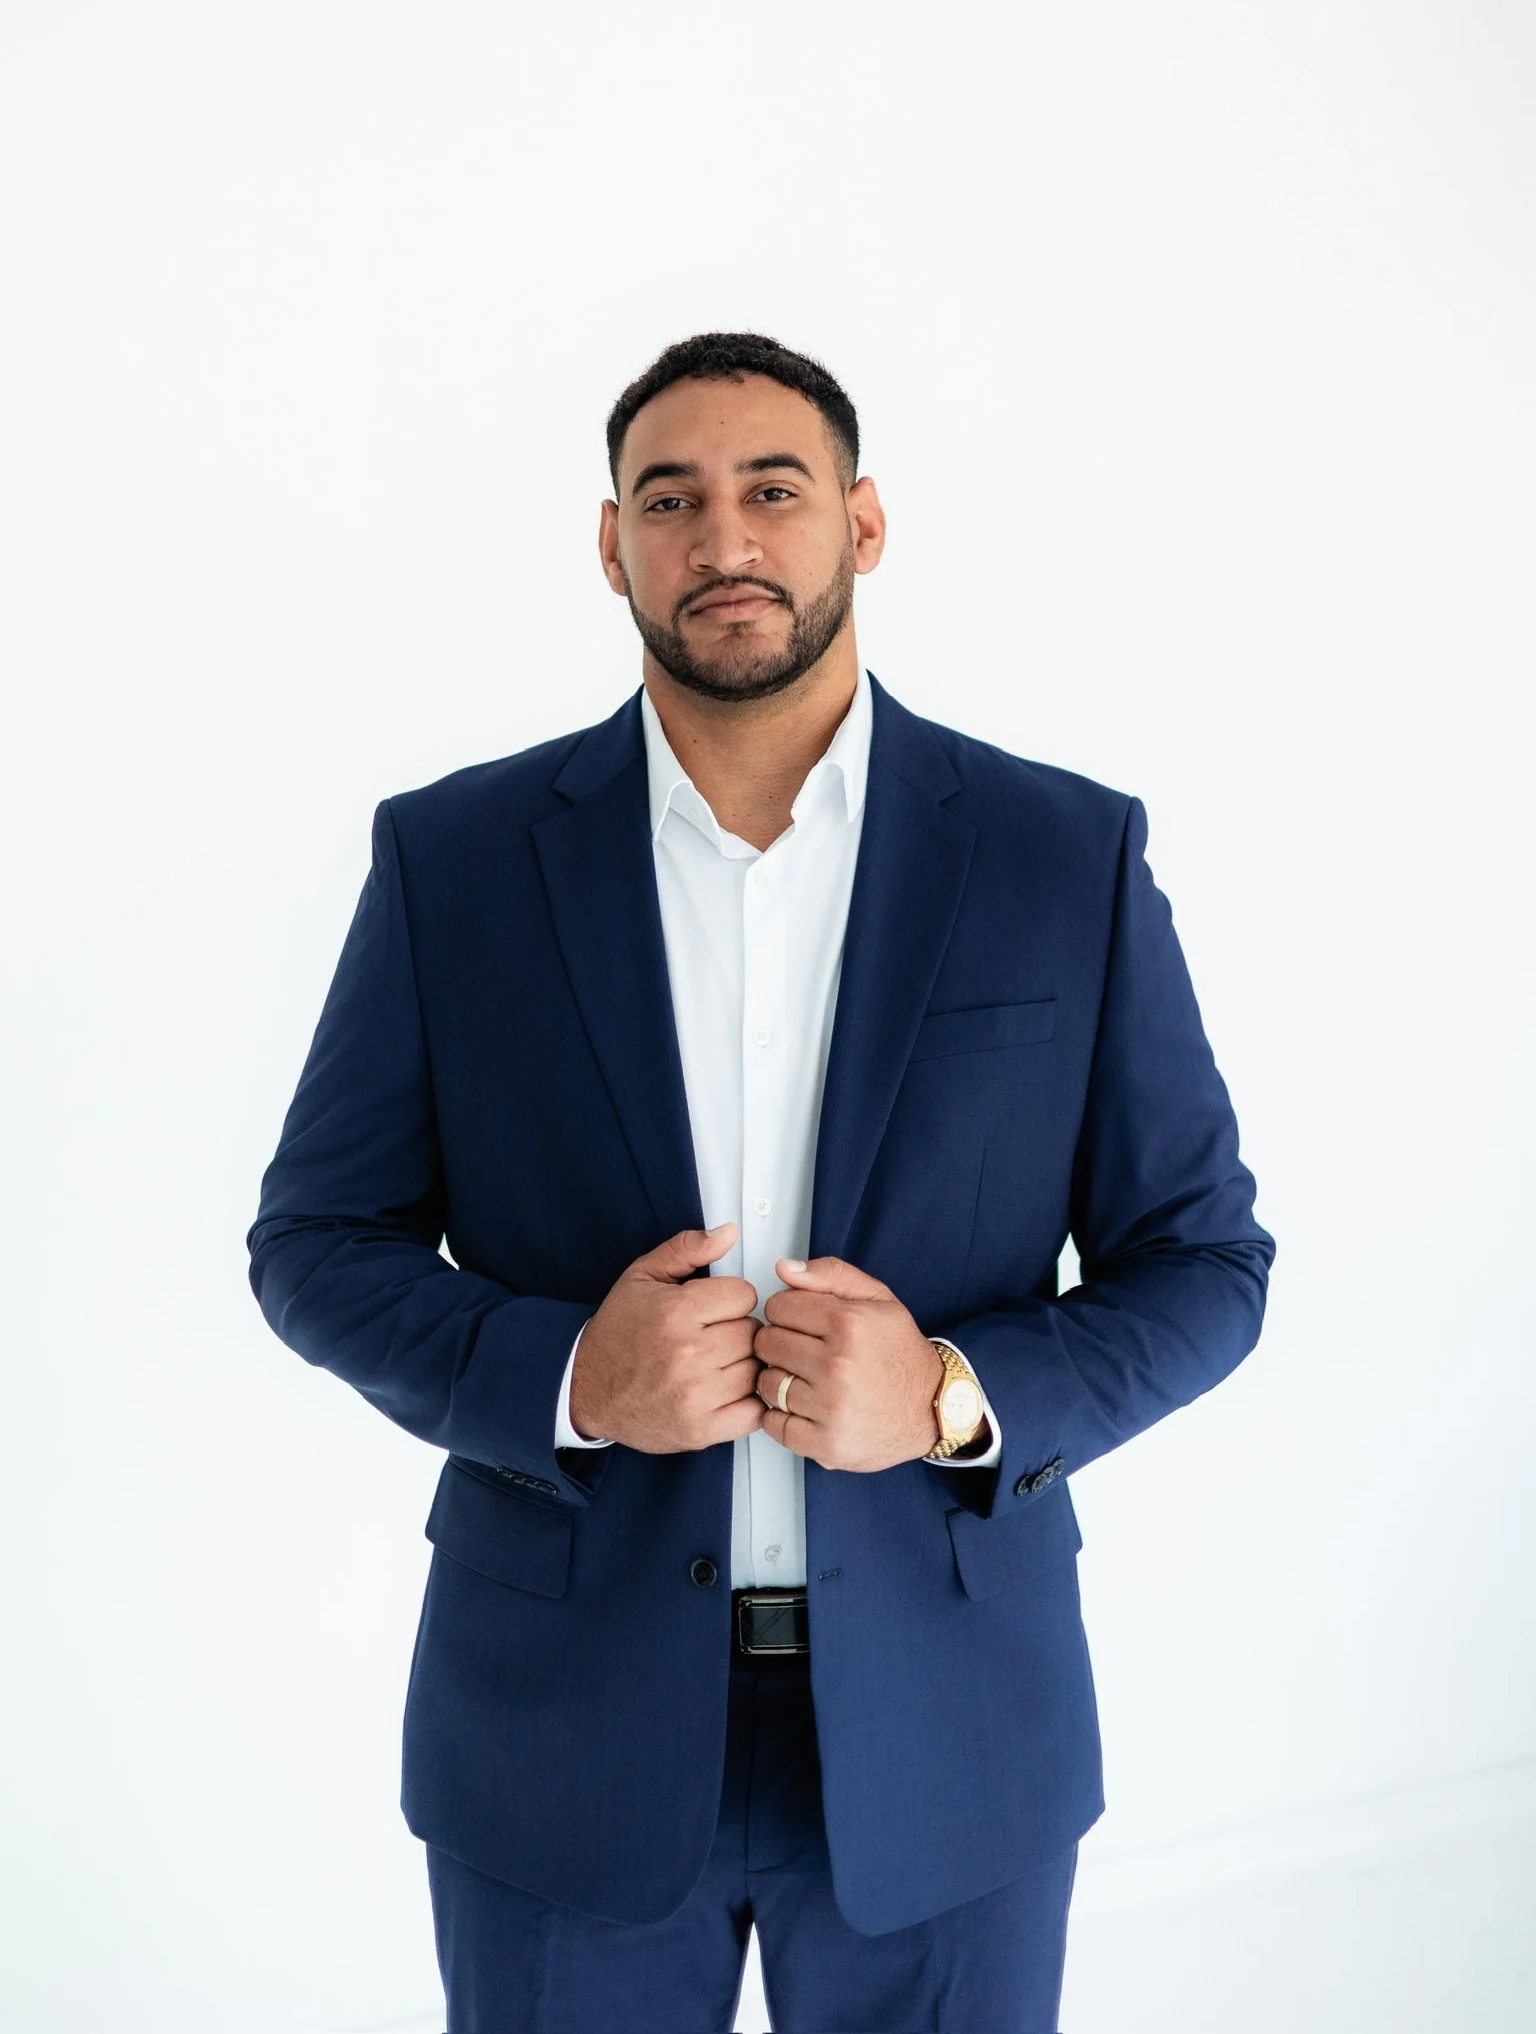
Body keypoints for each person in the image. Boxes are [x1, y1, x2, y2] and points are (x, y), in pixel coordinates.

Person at [248, 330, 1274, 2034]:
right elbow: (314, 1241)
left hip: (955, 1736)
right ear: (612, 546)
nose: (725, 538)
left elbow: (1207, 1265)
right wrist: (571, 1374)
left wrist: (953, 1394)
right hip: (557, 1736)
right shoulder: (454, 863)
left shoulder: (1057, 855)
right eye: (674, 498)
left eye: (773, 491)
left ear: (863, 525)